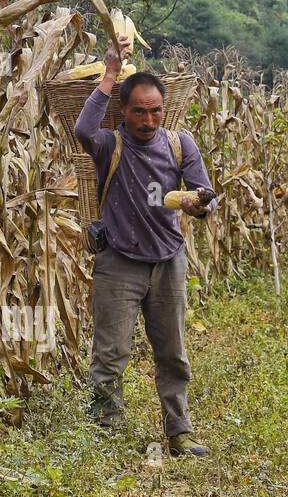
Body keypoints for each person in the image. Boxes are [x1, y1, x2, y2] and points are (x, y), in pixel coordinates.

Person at [73, 36, 217, 457]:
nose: (148, 120)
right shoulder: (108, 145)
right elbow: (83, 128)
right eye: (139, 111)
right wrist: (112, 74)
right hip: (119, 261)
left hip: (168, 260)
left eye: (155, 110)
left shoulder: (179, 144)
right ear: (123, 111)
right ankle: (105, 435)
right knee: (111, 354)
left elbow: (206, 193)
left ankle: (180, 431)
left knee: (172, 352)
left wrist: (197, 203)